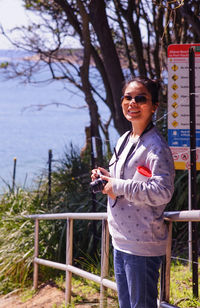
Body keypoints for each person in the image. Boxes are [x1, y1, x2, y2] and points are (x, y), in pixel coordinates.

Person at [91, 76, 175, 308]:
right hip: (120, 239)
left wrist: (117, 186)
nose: (132, 103)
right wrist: (105, 176)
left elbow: (163, 191)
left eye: (140, 99)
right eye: (128, 97)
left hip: (143, 244)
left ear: (154, 106)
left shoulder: (156, 147)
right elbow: (122, 179)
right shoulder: (124, 140)